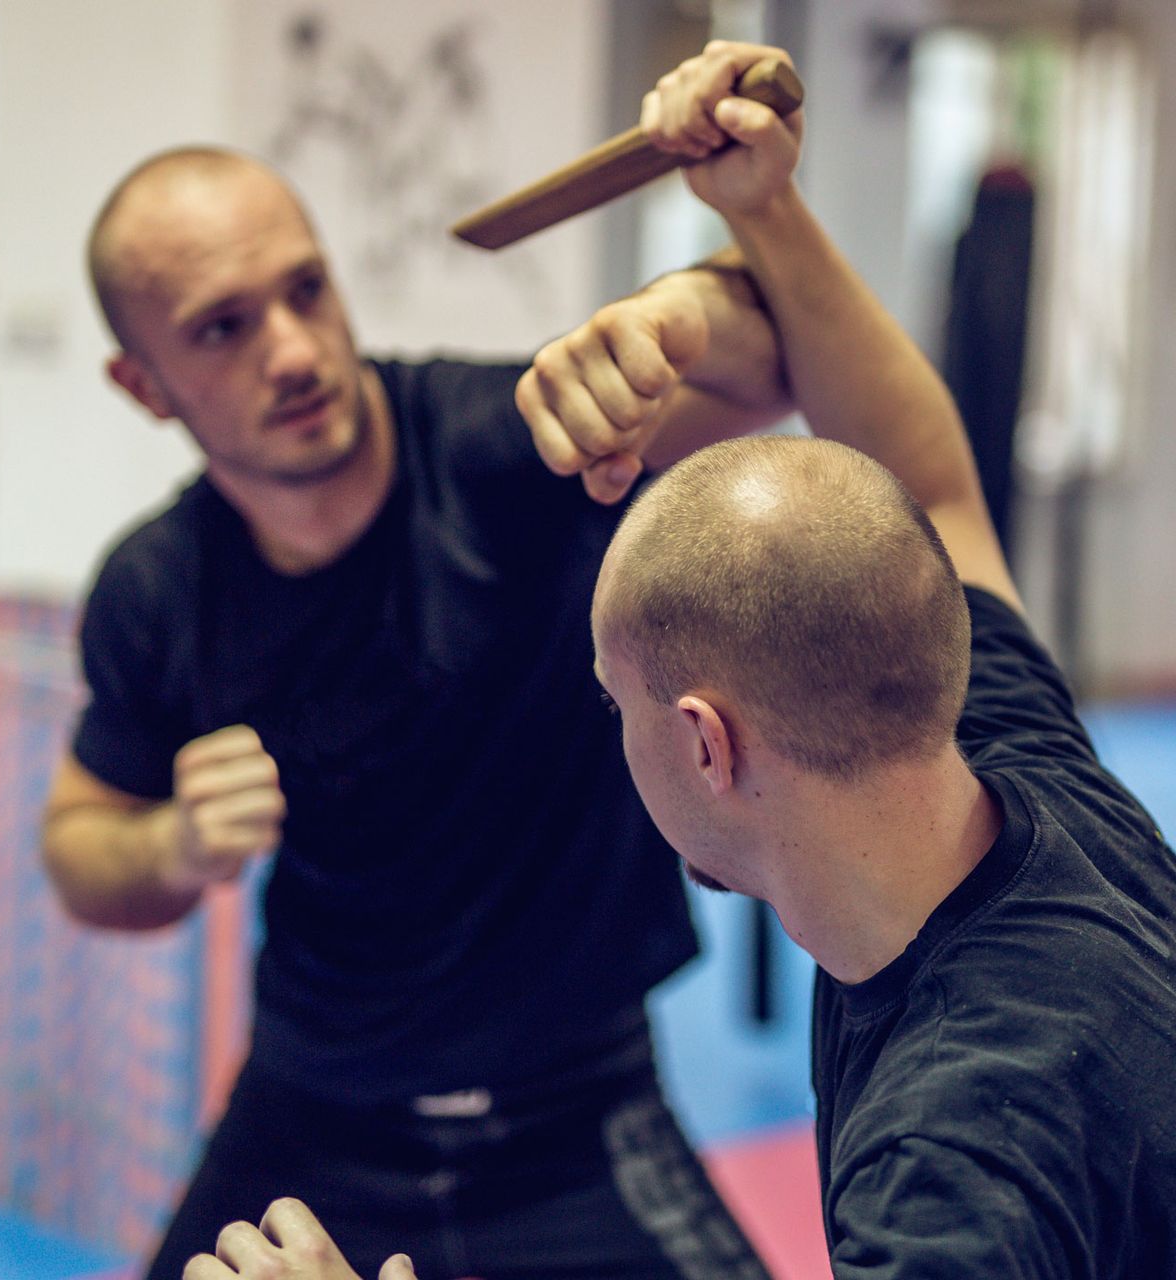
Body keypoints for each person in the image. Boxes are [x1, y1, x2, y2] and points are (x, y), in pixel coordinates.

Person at [185, 38, 1176, 1280]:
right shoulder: (1029, 774)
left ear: (704, 740)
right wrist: (763, 205)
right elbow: (933, 476)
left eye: (614, 703)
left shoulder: (955, 1159)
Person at [41, 40, 808, 1280]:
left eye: (306, 289)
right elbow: (79, 846)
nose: (295, 350)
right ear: (145, 384)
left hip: (577, 1108)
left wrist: (671, 315)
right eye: (224, 328)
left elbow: (771, 365)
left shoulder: (507, 445)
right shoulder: (158, 587)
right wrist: (172, 845)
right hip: (311, 1112)